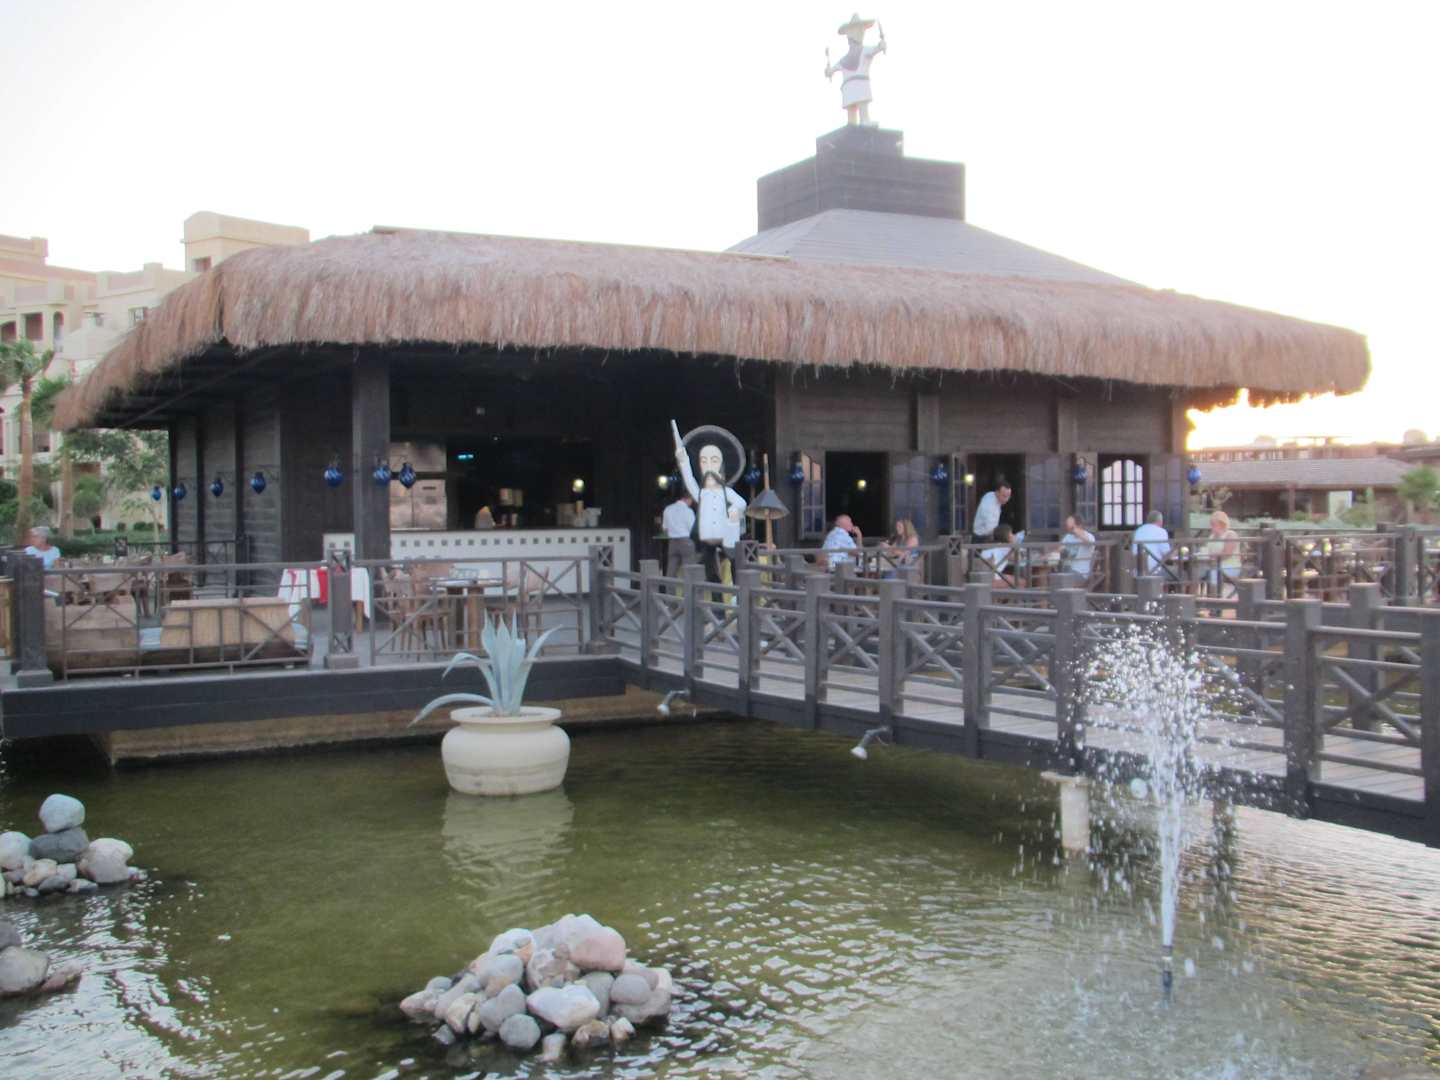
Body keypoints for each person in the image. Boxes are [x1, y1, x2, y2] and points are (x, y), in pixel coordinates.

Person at [672, 421, 746, 586]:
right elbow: (689, 479)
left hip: (724, 535)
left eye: (714, 461)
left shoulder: (727, 492)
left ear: (721, 465)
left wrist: (734, 510)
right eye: (704, 461)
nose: (709, 466)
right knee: (711, 571)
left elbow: (741, 502)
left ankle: (738, 594)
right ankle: (716, 599)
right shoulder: (701, 494)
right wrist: (683, 461)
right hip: (706, 537)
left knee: (734, 562)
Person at [1203, 510, 1242, 596]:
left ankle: (1215, 598)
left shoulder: (1230, 535)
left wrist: (1213, 556)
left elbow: (1227, 553)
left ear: (1222, 524)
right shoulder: (1211, 536)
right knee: (1196, 570)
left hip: (1230, 566)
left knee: (1213, 572)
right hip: (1212, 564)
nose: (1211, 527)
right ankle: (1194, 598)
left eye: (1214, 524)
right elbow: (1207, 550)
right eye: (1211, 524)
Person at [662, 493, 697, 578]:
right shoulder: (688, 511)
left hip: (672, 542)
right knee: (688, 570)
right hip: (686, 541)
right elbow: (692, 529)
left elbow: (665, 528)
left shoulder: (668, 509)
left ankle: (669, 587)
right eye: (691, 501)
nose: (691, 503)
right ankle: (688, 587)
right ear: (688, 499)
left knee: (671, 570)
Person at [1131, 510, 1170, 575]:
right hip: (1155, 571)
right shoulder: (1161, 531)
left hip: (1137, 571)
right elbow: (1167, 553)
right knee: (1179, 572)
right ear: (1160, 521)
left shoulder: (1138, 530)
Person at [1058, 514, 1096, 581]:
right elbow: (1059, 550)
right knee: (1052, 576)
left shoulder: (1089, 536)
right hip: (1066, 569)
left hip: (1081, 572)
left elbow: (1089, 543)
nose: (1067, 525)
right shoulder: (1068, 537)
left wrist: (1076, 531)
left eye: (1070, 523)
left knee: (1059, 579)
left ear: (1079, 525)